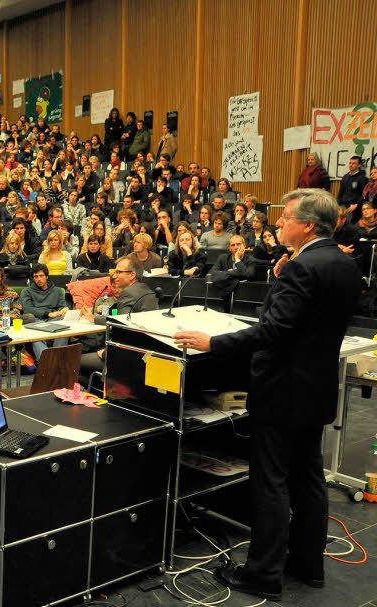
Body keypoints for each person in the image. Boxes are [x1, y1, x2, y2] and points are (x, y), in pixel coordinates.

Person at [174, 189, 362, 601]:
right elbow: (310, 321)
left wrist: (213, 344)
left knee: (271, 481)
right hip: (316, 388)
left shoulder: (302, 268)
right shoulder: (344, 263)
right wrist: (280, 279)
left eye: (286, 218)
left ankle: (262, 574)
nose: (278, 224)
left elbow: (274, 331)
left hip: (281, 390)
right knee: (308, 478)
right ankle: (308, 565)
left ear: (308, 224)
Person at [79, 257, 159, 373]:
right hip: (145, 354)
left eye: (118, 272)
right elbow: (124, 320)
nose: (114, 276)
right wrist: (95, 319)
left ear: (132, 275)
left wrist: (106, 352)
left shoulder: (128, 293)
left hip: (126, 357)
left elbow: (122, 329)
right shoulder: (146, 290)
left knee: (74, 361)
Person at [20, 263, 69, 361]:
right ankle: (46, 362)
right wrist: (48, 313)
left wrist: (64, 309)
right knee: (35, 327)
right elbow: (28, 309)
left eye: (41, 276)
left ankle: (57, 359)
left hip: (54, 319)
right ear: (33, 278)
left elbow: (62, 306)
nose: (39, 279)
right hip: (36, 320)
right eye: (36, 276)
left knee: (65, 321)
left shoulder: (58, 291)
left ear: (47, 276)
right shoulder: (27, 291)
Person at [338, 155, 367, 222]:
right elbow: (340, 193)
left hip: (353, 207)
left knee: (347, 225)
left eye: (354, 163)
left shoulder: (362, 178)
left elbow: (363, 195)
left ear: (359, 165)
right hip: (343, 205)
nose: (351, 165)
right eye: (350, 163)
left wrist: (356, 205)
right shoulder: (345, 177)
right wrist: (338, 204)